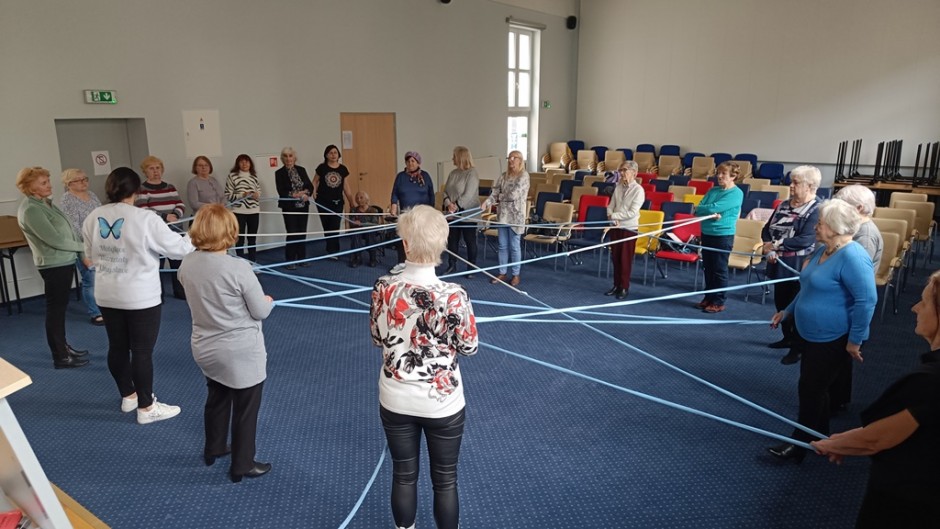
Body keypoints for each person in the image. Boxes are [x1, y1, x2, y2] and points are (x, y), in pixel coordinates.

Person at [369, 205, 478, 529]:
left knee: (403, 474)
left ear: (405, 243)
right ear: (442, 245)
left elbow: (377, 338)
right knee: (445, 479)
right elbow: (469, 347)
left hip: (396, 397)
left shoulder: (383, 287)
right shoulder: (455, 295)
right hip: (442, 402)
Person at [811, 270, 940, 528]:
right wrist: (845, 441)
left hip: (910, 499)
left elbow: (877, 439)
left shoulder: (929, 381)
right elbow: (894, 427)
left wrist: (838, 444)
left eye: (924, 303)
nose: (915, 308)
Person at [766, 198, 877, 463]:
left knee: (810, 389)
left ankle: (800, 444)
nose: (816, 227)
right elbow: (807, 287)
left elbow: (866, 301)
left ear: (837, 227)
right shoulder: (823, 250)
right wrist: (787, 311)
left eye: (821, 223)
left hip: (832, 337)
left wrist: (855, 341)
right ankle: (821, 435)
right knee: (816, 387)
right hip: (810, 332)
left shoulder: (853, 256)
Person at [83, 166, 195, 424]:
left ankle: (129, 396)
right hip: (139, 296)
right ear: (137, 190)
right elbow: (179, 249)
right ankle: (146, 408)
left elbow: (90, 256)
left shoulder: (94, 216)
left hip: (107, 293)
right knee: (142, 351)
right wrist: (196, 232)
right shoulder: (146, 218)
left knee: (117, 347)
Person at [179, 204, 273, 483]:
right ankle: (242, 465)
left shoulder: (186, 264)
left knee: (217, 396)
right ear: (230, 232)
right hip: (239, 352)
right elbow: (260, 311)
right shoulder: (238, 267)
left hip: (205, 347)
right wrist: (268, 301)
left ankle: (215, 447)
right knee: (246, 408)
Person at [16, 167, 90, 369]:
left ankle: (63, 347)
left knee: (59, 309)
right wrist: (84, 247)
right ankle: (60, 356)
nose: (49, 185)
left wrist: (81, 252)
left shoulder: (44, 203)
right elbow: (55, 240)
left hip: (63, 261)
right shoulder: (31, 209)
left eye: (48, 181)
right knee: (56, 311)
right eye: (43, 183)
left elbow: (68, 231)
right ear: (30, 187)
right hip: (54, 264)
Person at [760, 165, 822, 362]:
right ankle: (787, 338)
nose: (791, 186)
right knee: (781, 303)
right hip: (778, 263)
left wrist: (776, 245)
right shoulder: (783, 205)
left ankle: (798, 347)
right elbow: (766, 229)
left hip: (798, 265)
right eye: (791, 182)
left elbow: (806, 239)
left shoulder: (817, 209)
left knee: (796, 307)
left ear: (810, 186)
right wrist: (769, 247)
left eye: (796, 183)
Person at [694, 160, 744, 313]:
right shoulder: (713, 190)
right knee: (708, 268)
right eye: (718, 173)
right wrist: (708, 210)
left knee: (719, 269)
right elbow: (698, 208)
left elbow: (713, 208)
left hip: (722, 236)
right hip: (707, 233)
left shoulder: (736, 193)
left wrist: (708, 209)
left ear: (733, 176)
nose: (719, 176)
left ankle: (718, 301)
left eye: (723, 173)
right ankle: (709, 297)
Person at [135, 155, 188, 299]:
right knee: (157, 264)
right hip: (155, 232)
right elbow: (143, 209)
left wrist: (175, 215)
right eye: (151, 168)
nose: (155, 171)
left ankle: (179, 291)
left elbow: (180, 204)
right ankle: (158, 294)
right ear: (145, 171)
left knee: (178, 261)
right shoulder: (141, 189)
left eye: (158, 168)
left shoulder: (170, 187)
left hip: (175, 230)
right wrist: (165, 217)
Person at [59, 168, 104, 326]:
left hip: (101, 241)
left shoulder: (92, 195)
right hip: (83, 244)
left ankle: (106, 307)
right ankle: (95, 312)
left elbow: (101, 215)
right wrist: (89, 243)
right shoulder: (67, 200)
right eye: (79, 180)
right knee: (90, 278)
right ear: (69, 184)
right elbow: (73, 226)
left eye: (85, 179)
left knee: (103, 277)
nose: (83, 182)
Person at [482, 151, 530, 286]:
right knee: (502, 246)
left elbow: (513, 195)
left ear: (520, 160)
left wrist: (499, 197)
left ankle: (515, 274)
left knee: (514, 246)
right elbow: (495, 192)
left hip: (516, 216)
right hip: (503, 215)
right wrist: (487, 202)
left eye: (514, 158)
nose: (511, 160)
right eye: (509, 158)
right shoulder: (503, 176)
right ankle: (502, 272)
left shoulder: (524, 176)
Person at [388, 151, 435, 274]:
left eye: (413, 161)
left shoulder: (425, 176)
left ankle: (422, 263)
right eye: (408, 161)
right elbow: (394, 193)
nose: (410, 163)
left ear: (418, 163)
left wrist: (431, 212)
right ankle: (402, 263)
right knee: (404, 239)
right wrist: (393, 206)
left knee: (421, 239)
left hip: (422, 215)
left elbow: (431, 194)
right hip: (406, 214)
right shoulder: (400, 177)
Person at [606, 160, 645, 300]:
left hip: (629, 228)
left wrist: (614, 216)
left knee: (625, 259)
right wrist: (610, 215)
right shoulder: (618, 187)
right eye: (620, 170)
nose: (621, 173)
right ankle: (616, 285)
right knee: (616, 257)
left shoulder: (638, 190)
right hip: (615, 227)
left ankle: (624, 287)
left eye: (624, 170)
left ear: (634, 173)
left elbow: (632, 212)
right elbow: (611, 205)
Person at [442, 146, 480, 276]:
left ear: (461, 157)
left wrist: (456, 206)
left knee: (470, 241)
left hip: (468, 213)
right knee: (452, 240)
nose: (452, 158)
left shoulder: (472, 173)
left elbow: (468, 194)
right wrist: (448, 204)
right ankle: (452, 265)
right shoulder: (453, 173)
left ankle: (471, 268)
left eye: (454, 156)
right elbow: (445, 191)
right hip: (453, 213)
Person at [274, 147, 313, 270]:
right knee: (292, 232)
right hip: (289, 207)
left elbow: (310, 186)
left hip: (303, 205)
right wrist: (295, 194)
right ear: (282, 158)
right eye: (285, 156)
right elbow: (281, 191)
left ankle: (302, 258)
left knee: (302, 232)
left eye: (290, 156)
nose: (288, 158)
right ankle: (290, 260)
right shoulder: (279, 173)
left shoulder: (301, 170)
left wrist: (306, 194)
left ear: (294, 157)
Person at [313, 144, 354, 260]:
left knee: (335, 226)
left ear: (338, 154)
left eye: (335, 152)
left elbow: (346, 186)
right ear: (326, 155)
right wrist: (314, 193)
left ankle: (334, 251)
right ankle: (330, 249)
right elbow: (315, 181)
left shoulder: (342, 169)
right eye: (330, 153)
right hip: (323, 202)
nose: (333, 155)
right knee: (326, 226)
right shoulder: (322, 168)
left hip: (337, 202)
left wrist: (351, 200)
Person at [834, 184, 883, 270]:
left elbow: (856, 270)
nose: (838, 210)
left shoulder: (866, 236)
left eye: (843, 206)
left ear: (859, 208)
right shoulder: (853, 226)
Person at [225, 154, 262, 262]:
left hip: (254, 211)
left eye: (247, 161)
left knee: (252, 239)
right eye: (241, 162)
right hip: (238, 211)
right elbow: (228, 195)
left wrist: (257, 195)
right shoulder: (232, 176)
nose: (244, 164)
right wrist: (243, 195)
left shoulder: (254, 176)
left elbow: (259, 191)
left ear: (250, 163)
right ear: (238, 164)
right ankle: (240, 263)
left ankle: (253, 262)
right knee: (239, 239)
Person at [347, 191, 383, 268]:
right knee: (355, 233)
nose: (359, 200)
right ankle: (358, 258)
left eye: (361, 198)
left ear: (366, 199)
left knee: (370, 233)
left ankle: (372, 258)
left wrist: (362, 223)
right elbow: (351, 223)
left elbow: (374, 224)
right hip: (358, 231)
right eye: (357, 198)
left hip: (370, 230)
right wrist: (354, 223)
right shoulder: (353, 210)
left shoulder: (374, 210)